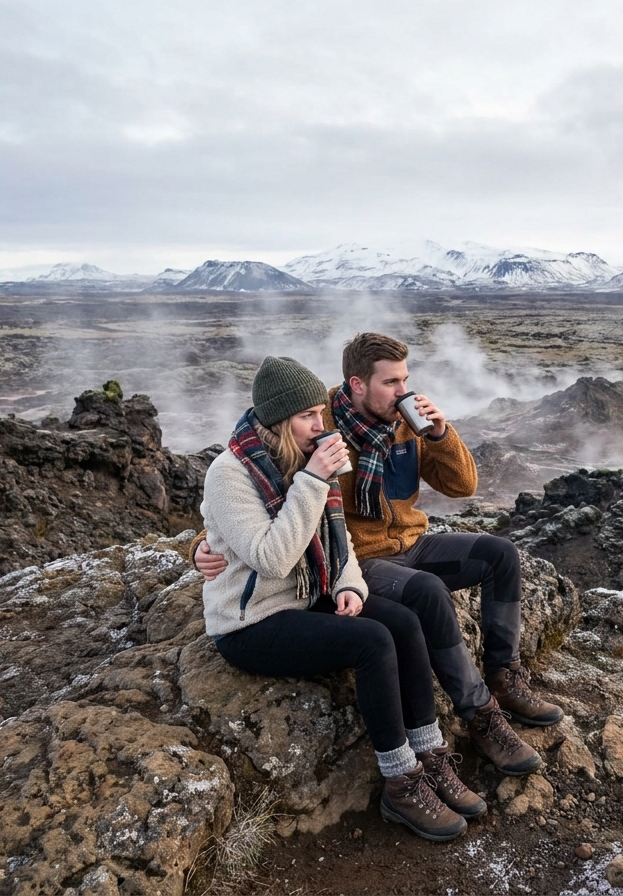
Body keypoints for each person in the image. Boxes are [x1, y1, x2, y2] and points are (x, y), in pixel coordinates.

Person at [194, 334, 563, 777]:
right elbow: (258, 489)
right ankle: (479, 716)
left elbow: (463, 486)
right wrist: (200, 543)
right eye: (391, 382)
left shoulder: (406, 421)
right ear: (357, 385)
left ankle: (505, 678)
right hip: (366, 558)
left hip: (412, 544)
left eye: (405, 379)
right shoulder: (317, 423)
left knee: (501, 554)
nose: (403, 391)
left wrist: (443, 434)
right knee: (426, 595)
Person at [201, 355, 485, 842]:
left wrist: (349, 585)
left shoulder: (305, 454)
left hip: (307, 597)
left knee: (403, 621)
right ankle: (401, 783)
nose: (319, 423)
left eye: (319, 412)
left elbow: (341, 540)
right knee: (372, 641)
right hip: (251, 622)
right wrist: (313, 480)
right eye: (306, 416)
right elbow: (272, 559)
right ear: (277, 420)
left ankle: (431, 754)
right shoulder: (231, 473)